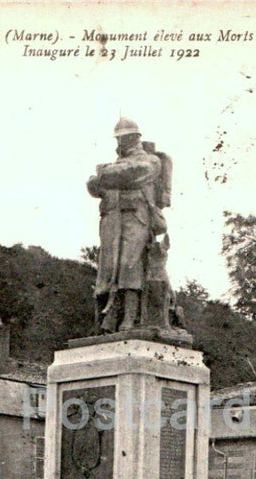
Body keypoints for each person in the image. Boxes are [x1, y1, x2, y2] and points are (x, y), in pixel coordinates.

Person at [87, 118, 165, 332]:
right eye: (119, 138)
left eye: (125, 137)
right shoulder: (113, 167)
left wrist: (104, 174)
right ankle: (105, 320)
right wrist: (103, 176)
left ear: (135, 137)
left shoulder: (150, 161)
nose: (121, 141)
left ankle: (129, 319)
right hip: (111, 220)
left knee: (129, 265)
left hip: (136, 218)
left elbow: (132, 172)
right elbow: (93, 186)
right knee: (107, 269)